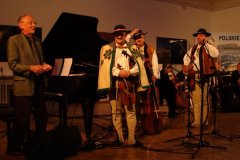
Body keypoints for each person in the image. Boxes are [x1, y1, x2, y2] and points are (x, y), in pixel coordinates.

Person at [7, 14, 52, 154]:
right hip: (24, 85)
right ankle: (13, 148)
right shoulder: (14, 40)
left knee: (42, 115)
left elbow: (40, 60)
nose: (34, 25)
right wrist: (30, 68)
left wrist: (45, 66)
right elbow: (13, 64)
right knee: (22, 118)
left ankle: (37, 142)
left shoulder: (37, 41)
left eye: (34, 22)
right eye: (30, 23)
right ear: (21, 24)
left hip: (38, 84)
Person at [98, 24, 149, 146]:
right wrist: (119, 72)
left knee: (130, 111)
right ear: (114, 35)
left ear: (126, 35)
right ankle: (120, 138)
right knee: (115, 112)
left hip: (129, 84)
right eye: (117, 34)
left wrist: (129, 72)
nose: (119, 36)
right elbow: (105, 67)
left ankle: (131, 138)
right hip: (114, 84)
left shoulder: (133, 48)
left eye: (122, 33)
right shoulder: (106, 48)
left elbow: (139, 66)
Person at [183, 28, 219, 128]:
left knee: (204, 100)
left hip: (206, 76)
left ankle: (204, 121)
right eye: (198, 36)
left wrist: (206, 44)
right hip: (194, 76)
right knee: (196, 101)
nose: (199, 37)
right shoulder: (193, 49)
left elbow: (215, 54)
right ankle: (197, 121)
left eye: (202, 35)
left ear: (206, 37)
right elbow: (185, 60)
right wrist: (187, 67)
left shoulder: (209, 47)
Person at [132, 30, 162, 134]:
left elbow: (155, 63)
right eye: (136, 38)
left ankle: (150, 126)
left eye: (140, 37)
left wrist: (155, 75)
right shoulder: (132, 50)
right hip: (135, 80)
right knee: (136, 105)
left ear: (144, 38)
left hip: (148, 78)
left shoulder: (149, 49)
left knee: (149, 103)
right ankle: (138, 126)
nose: (138, 39)